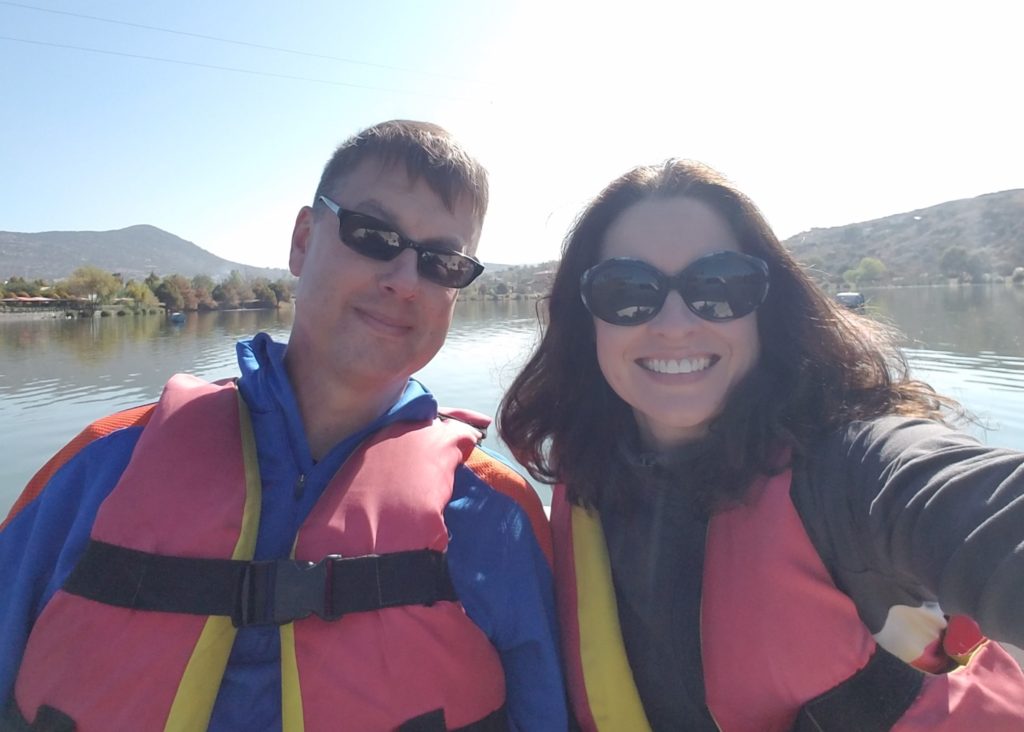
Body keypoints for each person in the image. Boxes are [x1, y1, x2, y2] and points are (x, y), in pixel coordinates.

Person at [0, 120, 567, 731]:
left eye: (442, 262)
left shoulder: (495, 514)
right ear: (302, 240)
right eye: (373, 235)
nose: (405, 280)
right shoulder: (100, 467)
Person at [498, 159, 1024, 731]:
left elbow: (975, 510)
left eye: (719, 285)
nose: (675, 323)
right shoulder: (588, 485)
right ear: (587, 319)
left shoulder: (850, 468)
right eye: (627, 290)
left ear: (763, 309)